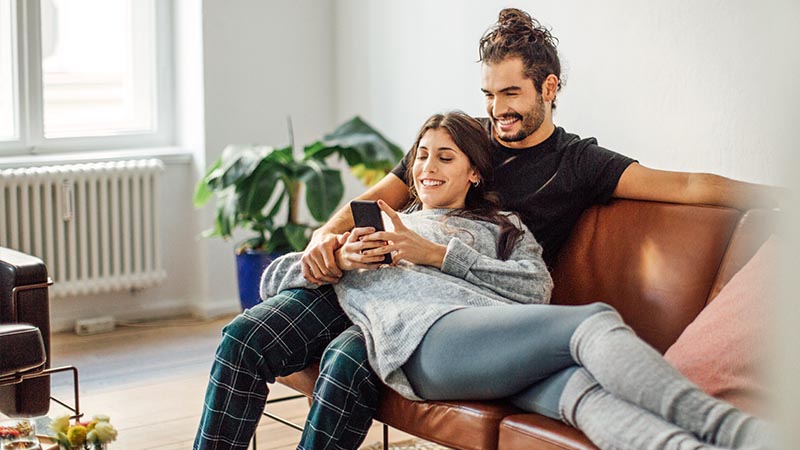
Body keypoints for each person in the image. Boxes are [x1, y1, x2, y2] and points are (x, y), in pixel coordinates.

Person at [194, 9, 780, 450]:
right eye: (489, 93)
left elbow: (685, 188)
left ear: (549, 89)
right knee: (243, 341)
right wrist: (325, 238)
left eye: (511, 94)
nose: (496, 109)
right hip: (377, 281)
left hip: (461, 311)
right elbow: (377, 199)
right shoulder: (461, 139)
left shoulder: (577, 163)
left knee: (350, 363)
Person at [260, 111, 772, 450]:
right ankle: (739, 434)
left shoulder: (506, 227)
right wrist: (332, 253)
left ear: (473, 174)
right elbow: (282, 278)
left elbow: (534, 289)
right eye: (421, 157)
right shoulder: (384, 229)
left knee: (584, 395)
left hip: (490, 338)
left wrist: (440, 255)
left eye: (445, 157)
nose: (428, 168)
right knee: (592, 322)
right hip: (422, 339)